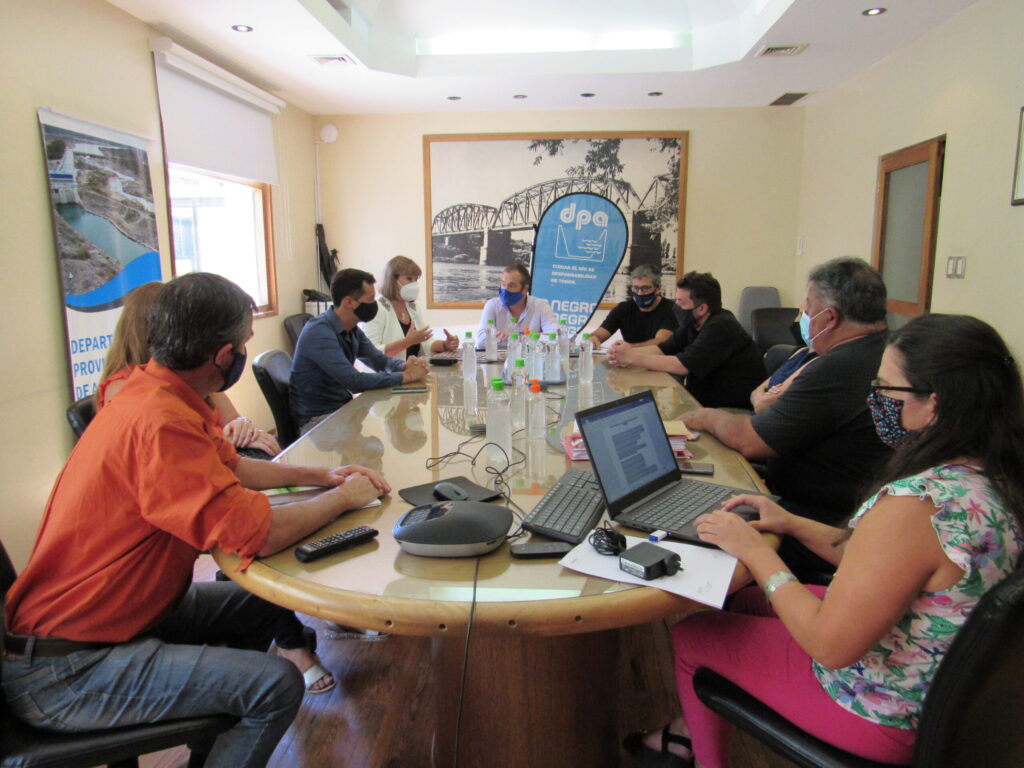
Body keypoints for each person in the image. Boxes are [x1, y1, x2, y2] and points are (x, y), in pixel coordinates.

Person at [3, 273, 391, 768]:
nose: (244, 353)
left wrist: (325, 476)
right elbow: (262, 534)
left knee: (257, 603)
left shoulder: (160, 392)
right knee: (274, 685)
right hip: (70, 667)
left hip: (113, 620)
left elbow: (233, 466)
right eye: (244, 344)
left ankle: (209, 742)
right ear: (223, 356)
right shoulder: (159, 422)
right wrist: (343, 500)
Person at [624, 313, 1024, 768]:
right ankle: (690, 731)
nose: (875, 400)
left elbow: (830, 646)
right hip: (937, 684)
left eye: (886, 389)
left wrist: (753, 551)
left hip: (882, 711)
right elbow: (879, 559)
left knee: (695, 633)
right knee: (745, 601)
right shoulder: (991, 475)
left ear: (933, 404)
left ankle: (699, 755)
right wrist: (790, 523)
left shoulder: (916, 505)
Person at [684, 259, 892, 578]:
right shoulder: (884, 350)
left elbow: (750, 440)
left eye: (807, 308)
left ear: (830, 317)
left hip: (820, 524)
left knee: (697, 527)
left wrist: (705, 417)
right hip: (844, 513)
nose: (803, 316)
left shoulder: (839, 367)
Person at [97, 281, 281, 457]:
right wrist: (226, 442)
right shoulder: (125, 390)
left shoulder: (192, 375)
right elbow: (172, 451)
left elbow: (233, 419)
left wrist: (243, 427)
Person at [290, 268, 428, 432]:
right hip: (318, 421)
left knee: (377, 441)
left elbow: (378, 359)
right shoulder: (319, 332)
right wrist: (407, 376)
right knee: (379, 441)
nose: (374, 304)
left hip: (342, 409)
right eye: (370, 299)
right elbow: (355, 381)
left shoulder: (351, 328)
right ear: (349, 302)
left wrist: (403, 366)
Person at [608, 272, 764, 409]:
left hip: (731, 408)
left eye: (681, 302)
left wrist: (633, 357)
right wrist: (622, 353)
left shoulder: (721, 326)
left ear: (702, 308)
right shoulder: (693, 322)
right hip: (704, 401)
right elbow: (664, 349)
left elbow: (682, 365)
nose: (675, 306)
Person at [362, 255, 458, 358]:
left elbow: (426, 344)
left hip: (414, 367)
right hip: (390, 369)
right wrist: (407, 342)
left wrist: (445, 345)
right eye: (409, 279)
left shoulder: (413, 308)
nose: (414, 284)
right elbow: (370, 353)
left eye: (416, 279)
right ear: (392, 279)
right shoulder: (376, 307)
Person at [584, 263, 678, 348]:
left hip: (661, 360)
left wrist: (629, 348)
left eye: (645, 288)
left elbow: (661, 341)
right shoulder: (623, 309)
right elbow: (600, 333)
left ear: (657, 288)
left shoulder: (672, 309)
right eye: (635, 288)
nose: (640, 293)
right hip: (630, 359)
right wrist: (592, 339)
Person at [476, 262, 558, 344]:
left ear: (525, 289)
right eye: (503, 284)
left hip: (529, 353)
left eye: (511, 286)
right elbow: (481, 340)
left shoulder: (541, 306)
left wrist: (515, 338)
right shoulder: (492, 305)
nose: (505, 290)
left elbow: (556, 338)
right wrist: (532, 338)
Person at [749, 343, 817, 414]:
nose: (810, 337)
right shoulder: (801, 351)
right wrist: (762, 397)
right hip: (760, 414)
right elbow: (755, 392)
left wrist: (762, 396)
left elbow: (761, 406)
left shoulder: (817, 363)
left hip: (776, 417)